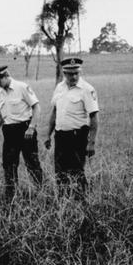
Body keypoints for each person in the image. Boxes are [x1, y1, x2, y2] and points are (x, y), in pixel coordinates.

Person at [0, 65, 42, 202]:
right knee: (9, 163)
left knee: (32, 162)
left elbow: (36, 107)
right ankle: (11, 194)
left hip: (25, 129)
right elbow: (1, 114)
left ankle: (40, 191)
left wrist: (32, 127)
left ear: (5, 76)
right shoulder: (1, 93)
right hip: (9, 131)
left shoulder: (22, 87)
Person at [44, 57, 99, 199]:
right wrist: (48, 135)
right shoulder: (59, 87)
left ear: (79, 72)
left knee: (77, 170)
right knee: (60, 171)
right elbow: (55, 112)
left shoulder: (87, 89)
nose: (73, 76)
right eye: (69, 73)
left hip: (78, 136)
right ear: (64, 73)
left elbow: (94, 117)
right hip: (60, 136)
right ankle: (63, 199)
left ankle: (83, 199)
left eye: (76, 73)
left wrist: (91, 143)